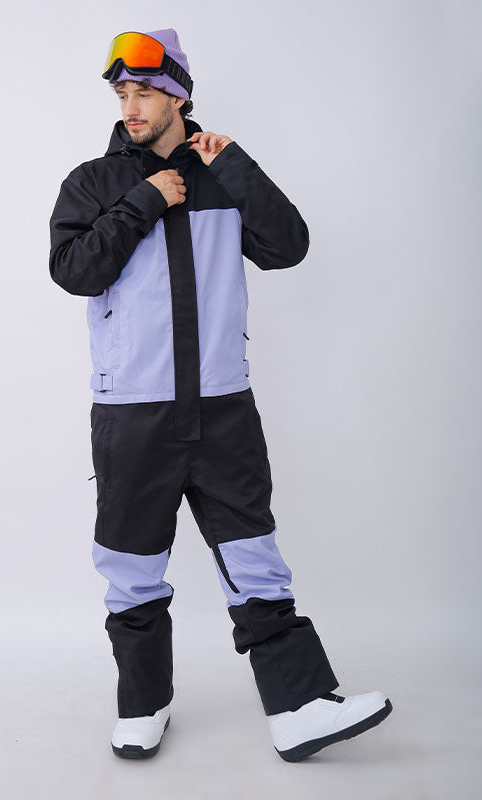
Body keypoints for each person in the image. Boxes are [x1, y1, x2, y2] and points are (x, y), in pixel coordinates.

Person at [48, 28, 392, 761]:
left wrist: (235, 166)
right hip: (133, 410)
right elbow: (74, 271)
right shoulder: (93, 183)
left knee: (255, 556)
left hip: (222, 405)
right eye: (123, 93)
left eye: (146, 92)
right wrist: (143, 201)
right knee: (131, 565)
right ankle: (144, 705)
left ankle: (299, 707)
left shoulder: (220, 173)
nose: (131, 106)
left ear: (179, 97)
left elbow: (288, 247)